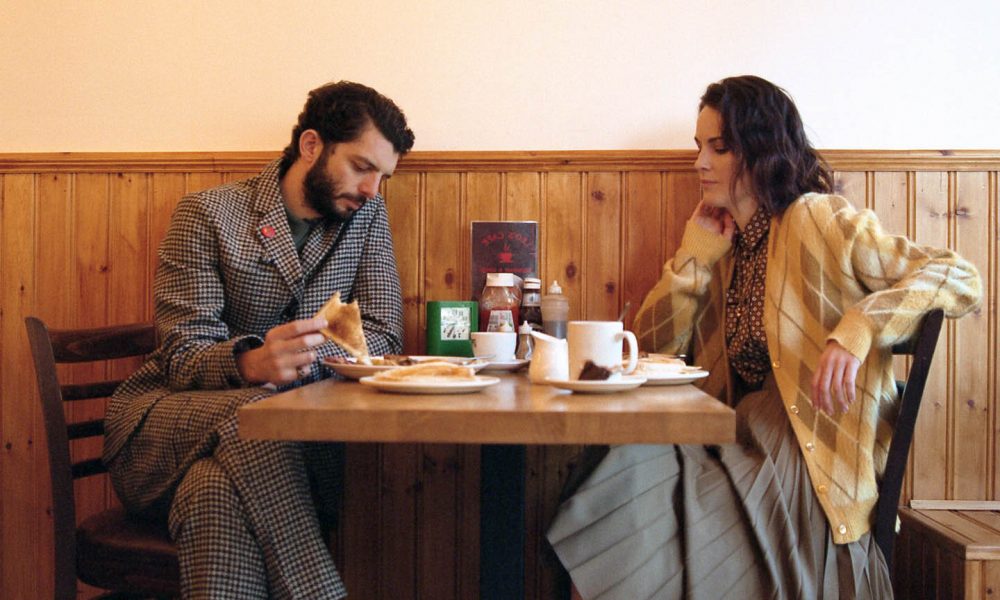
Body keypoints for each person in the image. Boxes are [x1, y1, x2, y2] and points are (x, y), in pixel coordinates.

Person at [547, 75, 982, 599]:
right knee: (620, 475)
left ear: (759, 149)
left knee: (630, 503)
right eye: (699, 146)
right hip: (735, 442)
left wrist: (861, 326)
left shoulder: (819, 218)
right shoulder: (725, 246)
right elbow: (652, 346)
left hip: (804, 464)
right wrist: (692, 259)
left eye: (719, 147)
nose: (700, 162)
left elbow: (958, 275)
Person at [103, 81, 414, 599]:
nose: (372, 190)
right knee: (255, 409)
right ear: (312, 145)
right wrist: (250, 363)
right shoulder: (207, 213)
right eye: (362, 167)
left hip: (281, 456)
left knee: (212, 494)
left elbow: (381, 334)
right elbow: (181, 353)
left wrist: (298, 362)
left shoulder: (367, 217)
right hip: (166, 430)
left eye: (383, 176)